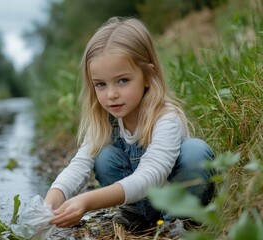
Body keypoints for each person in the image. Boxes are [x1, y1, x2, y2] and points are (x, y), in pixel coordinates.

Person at [44, 16, 215, 233]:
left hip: (177, 200)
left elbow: (150, 176)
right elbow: (78, 167)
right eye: (101, 84)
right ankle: (138, 216)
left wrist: (87, 201)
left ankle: (184, 221)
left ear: (147, 76)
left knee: (195, 151)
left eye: (122, 80)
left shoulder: (165, 116)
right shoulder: (105, 121)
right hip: (145, 205)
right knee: (104, 156)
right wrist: (49, 206)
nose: (112, 94)